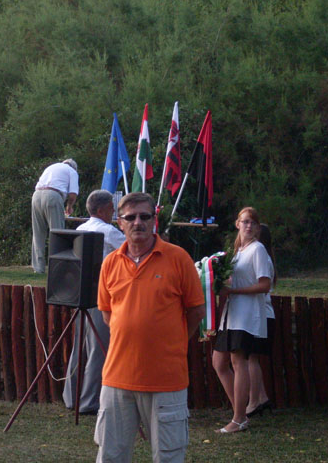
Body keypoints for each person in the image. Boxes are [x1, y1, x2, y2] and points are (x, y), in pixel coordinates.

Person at [94, 192, 205, 463]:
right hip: (117, 379)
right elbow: (108, 315)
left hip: (166, 380)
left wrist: (172, 341)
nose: (138, 222)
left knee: (168, 457)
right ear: (119, 222)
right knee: (110, 456)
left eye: (145, 216)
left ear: (154, 219)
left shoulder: (178, 258)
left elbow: (196, 311)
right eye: (130, 217)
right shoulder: (110, 263)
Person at [62, 189, 125, 414]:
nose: (113, 213)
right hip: (101, 295)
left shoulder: (80, 229)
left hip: (81, 294)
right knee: (99, 347)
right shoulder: (109, 231)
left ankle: (71, 397)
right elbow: (134, 249)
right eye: (111, 209)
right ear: (102, 209)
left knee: (80, 346)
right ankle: (89, 401)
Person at [212, 207, 273, 433]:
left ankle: (239, 418)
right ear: (237, 224)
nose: (249, 226)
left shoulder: (258, 249)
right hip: (231, 313)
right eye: (245, 221)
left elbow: (264, 284)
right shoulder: (237, 251)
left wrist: (234, 291)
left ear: (257, 228)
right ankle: (239, 412)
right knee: (218, 362)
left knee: (238, 361)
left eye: (253, 223)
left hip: (247, 314)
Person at [246, 223, 276, 417]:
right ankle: (262, 397)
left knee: (251, 359)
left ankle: (253, 402)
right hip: (262, 313)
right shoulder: (266, 257)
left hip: (262, 314)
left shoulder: (261, 257)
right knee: (251, 358)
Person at [31, 159, 79, 273]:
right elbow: (72, 194)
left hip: (36, 196)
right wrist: (69, 206)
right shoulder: (72, 171)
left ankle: (38, 268)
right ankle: (56, 267)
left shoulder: (51, 167)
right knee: (57, 233)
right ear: (74, 167)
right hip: (53, 195)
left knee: (38, 233)